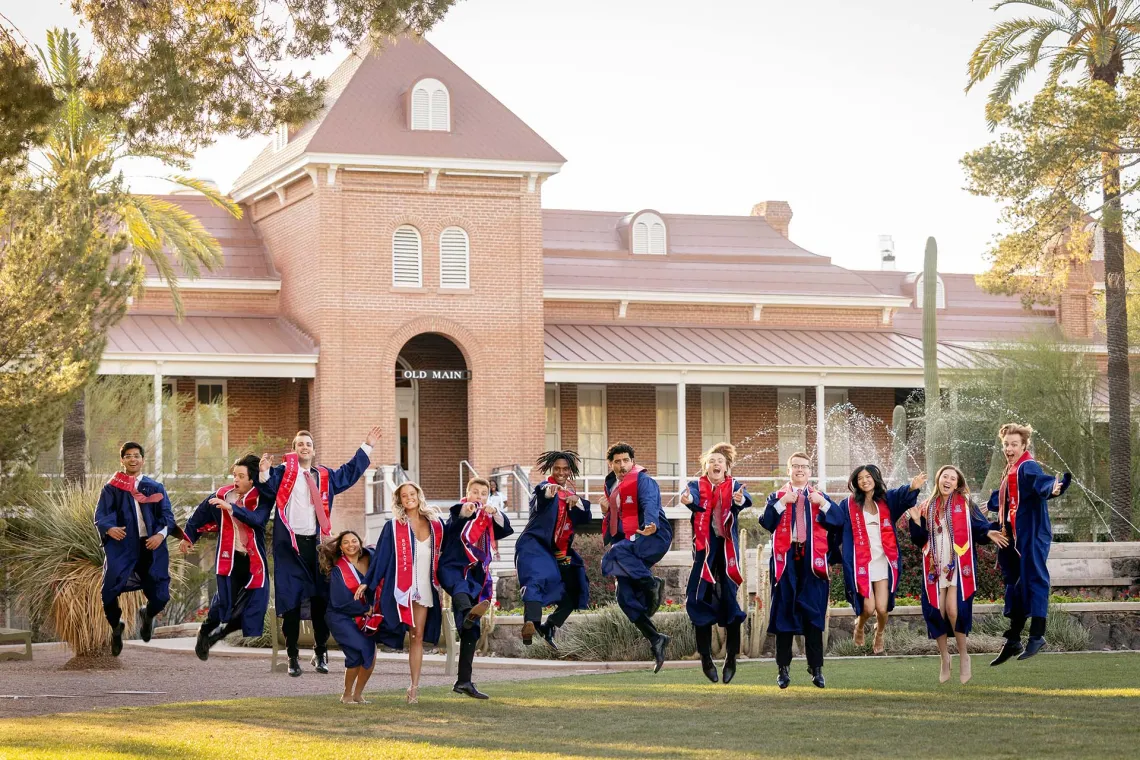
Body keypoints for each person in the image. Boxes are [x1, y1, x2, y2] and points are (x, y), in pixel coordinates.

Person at [257, 426, 381, 677]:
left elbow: (348, 473)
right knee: (290, 603)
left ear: (314, 451)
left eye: (308, 444)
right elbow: (267, 491)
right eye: (300, 444)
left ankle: (320, 651)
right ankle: (292, 656)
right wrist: (263, 472)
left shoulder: (323, 476)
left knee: (321, 600)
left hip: (317, 547)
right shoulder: (282, 474)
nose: (304, 447)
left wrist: (366, 446)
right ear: (293, 450)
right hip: (289, 548)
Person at [908, 465, 1008, 683]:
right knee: (936, 612)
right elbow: (919, 540)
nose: (948, 480)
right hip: (935, 567)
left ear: (957, 484)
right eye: (945, 476)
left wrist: (989, 531)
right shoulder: (926, 507)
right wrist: (916, 520)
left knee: (954, 611)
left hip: (957, 566)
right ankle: (945, 658)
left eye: (953, 478)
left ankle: (964, 656)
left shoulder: (965, 504)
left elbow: (979, 527)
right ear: (938, 479)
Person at [987, 422, 1070, 665]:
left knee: (1034, 579)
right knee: (1016, 585)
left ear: (1024, 445)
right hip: (1014, 537)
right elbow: (1007, 496)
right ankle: (1013, 639)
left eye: (1014, 444)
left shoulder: (1028, 465)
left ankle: (1037, 635)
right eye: (1006, 444)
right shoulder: (1010, 469)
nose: (1009, 448)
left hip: (1032, 533)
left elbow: (1040, 482)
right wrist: (990, 504)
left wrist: (1053, 489)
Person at [357, 481, 444, 705]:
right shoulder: (394, 527)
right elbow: (381, 557)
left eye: (412, 494)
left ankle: (414, 688)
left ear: (418, 495)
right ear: (400, 501)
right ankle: (357, 688)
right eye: (404, 496)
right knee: (387, 633)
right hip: (400, 590)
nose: (409, 498)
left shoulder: (435, 525)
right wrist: (369, 582)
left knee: (417, 636)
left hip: (424, 588)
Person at [760, 451, 843, 689]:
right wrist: (781, 503)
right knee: (785, 613)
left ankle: (816, 668)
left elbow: (838, 521)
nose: (800, 470)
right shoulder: (776, 496)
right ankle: (783, 669)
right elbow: (766, 522)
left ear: (810, 471)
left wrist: (824, 504)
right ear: (789, 470)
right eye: (795, 466)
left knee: (813, 614)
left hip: (812, 562)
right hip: (785, 562)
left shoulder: (819, 496)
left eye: (804, 466)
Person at [180, 454, 272, 661]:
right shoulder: (222, 495)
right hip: (229, 559)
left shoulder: (262, 498)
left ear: (252, 479)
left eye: (241, 476)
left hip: (253, 562)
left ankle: (218, 636)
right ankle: (205, 632)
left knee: (251, 608)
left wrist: (233, 509)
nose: (236, 480)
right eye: (234, 475)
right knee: (223, 603)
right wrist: (188, 538)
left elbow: (258, 520)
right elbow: (198, 516)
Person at [94, 441, 179, 657]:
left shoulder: (155, 488)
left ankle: (147, 614)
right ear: (122, 460)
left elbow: (168, 517)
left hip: (150, 546)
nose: (133, 459)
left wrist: (160, 536)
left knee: (161, 595)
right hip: (123, 546)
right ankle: (116, 626)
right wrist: (109, 528)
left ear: (142, 460)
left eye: (137, 456)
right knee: (108, 593)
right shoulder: (112, 487)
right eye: (128, 456)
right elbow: (101, 515)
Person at [832, 464, 926, 654]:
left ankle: (879, 633)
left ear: (875, 478)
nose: (864, 480)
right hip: (862, 563)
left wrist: (912, 487)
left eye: (868, 477)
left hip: (883, 560)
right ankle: (859, 626)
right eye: (860, 478)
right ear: (855, 483)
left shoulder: (886, 500)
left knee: (882, 609)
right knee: (867, 608)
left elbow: (902, 495)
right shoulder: (848, 505)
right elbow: (834, 523)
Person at [679, 442, 751, 684]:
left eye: (720, 461)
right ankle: (706, 658)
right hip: (705, 552)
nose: (716, 464)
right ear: (706, 466)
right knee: (699, 599)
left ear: (727, 467)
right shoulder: (696, 486)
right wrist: (688, 501)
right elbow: (693, 499)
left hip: (727, 551)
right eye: (712, 461)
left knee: (730, 599)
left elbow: (744, 499)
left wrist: (739, 501)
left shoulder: (735, 486)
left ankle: (731, 657)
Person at [599, 442, 674, 673]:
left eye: (626, 461)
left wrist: (651, 522)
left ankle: (652, 584)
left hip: (653, 535)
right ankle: (656, 639)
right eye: (617, 462)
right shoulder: (611, 485)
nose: (622, 466)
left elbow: (650, 502)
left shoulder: (643, 480)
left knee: (615, 553)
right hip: (630, 543)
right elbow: (617, 519)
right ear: (610, 464)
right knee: (624, 596)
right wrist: (605, 511)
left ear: (632, 461)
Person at [438, 477, 514, 699]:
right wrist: (466, 510)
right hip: (452, 568)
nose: (479, 497)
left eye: (483, 494)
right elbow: (454, 518)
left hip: (475, 575)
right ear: (467, 492)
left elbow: (505, 528)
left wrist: (495, 512)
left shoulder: (487, 518)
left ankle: (464, 681)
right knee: (460, 592)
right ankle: (467, 614)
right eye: (475, 492)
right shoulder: (460, 511)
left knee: (471, 630)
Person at [515, 450, 592, 649]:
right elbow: (541, 498)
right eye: (557, 468)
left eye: (565, 469)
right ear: (551, 469)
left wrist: (578, 502)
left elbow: (586, 517)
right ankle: (531, 622)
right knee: (536, 577)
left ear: (570, 471)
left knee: (575, 590)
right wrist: (550, 491)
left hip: (559, 551)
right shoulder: (544, 488)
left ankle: (549, 626)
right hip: (535, 545)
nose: (560, 472)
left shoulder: (571, 494)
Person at [319, 530, 379, 704]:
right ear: (340, 547)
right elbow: (338, 602)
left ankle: (352, 695)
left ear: (360, 543)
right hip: (339, 617)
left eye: (354, 541)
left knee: (354, 656)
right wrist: (365, 609)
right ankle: (349, 694)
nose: (351, 545)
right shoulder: (339, 569)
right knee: (367, 649)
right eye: (346, 542)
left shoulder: (369, 561)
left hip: (359, 616)